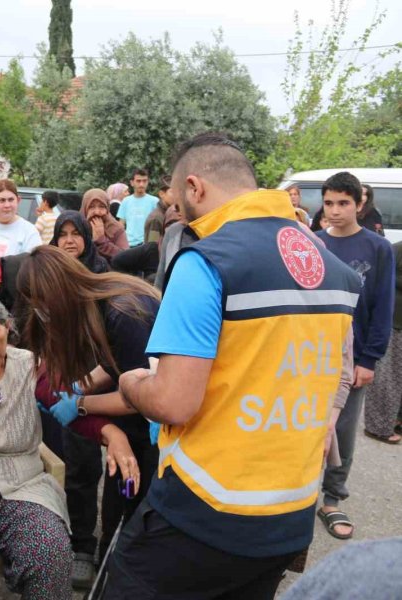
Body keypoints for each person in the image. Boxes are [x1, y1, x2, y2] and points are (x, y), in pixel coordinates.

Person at [108, 133, 360, 599]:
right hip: (290, 514)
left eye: (178, 203)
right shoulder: (327, 263)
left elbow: (173, 401)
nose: (179, 215)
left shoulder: (208, 260)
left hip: (203, 509)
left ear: (195, 186)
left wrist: (132, 383)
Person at [0, 293, 139, 598]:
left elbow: (62, 404)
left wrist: (112, 433)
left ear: (7, 327)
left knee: (48, 553)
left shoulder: (31, 365)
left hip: (23, 484)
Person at [15, 245, 160, 589]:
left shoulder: (125, 312)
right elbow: (114, 364)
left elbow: (144, 397)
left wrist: (81, 405)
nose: (41, 313)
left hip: (159, 431)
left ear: (58, 292)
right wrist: (78, 387)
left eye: (41, 304)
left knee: (134, 527)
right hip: (135, 425)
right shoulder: (100, 306)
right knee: (115, 515)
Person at [316, 171, 395, 538]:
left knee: (343, 431)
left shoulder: (377, 247)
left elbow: (382, 306)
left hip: (353, 359)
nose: (335, 210)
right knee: (307, 424)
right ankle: (298, 491)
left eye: (343, 203)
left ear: (360, 204)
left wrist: (369, 359)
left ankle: (332, 498)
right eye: (329, 203)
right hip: (312, 354)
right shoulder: (314, 243)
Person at [365, 239, 402, 444]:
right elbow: (384, 281)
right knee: (388, 379)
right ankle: (379, 427)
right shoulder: (395, 249)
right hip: (394, 324)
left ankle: (396, 420)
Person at [0, 179, 42, 258]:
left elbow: (35, 262)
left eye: (11, 200)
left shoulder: (29, 232)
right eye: (2, 200)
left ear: (18, 200)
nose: (7, 205)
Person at [50, 210, 109, 274]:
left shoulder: (100, 267)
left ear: (86, 237)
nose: (69, 241)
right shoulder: (48, 269)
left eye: (76, 234)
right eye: (62, 235)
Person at [80, 188, 128, 261]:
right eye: (91, 207)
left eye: (102, 206)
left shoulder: (116, 228)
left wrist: (102, 241)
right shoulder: (78, 227)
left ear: (107, 209)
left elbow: (126, 258)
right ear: (85, 209)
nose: (97, 212)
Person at [118, 169, 159, 247]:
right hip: (129, 244)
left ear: (148, 182)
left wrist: (153, 243)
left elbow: (158, 224)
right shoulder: (126, 201)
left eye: (144, 181)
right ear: (132, 183)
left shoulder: (155, 201)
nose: (141, 184)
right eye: (138, 181)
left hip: (147, 244)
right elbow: (121, 225)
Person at [144, 175, 173, 244]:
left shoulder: (171, 214)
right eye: (173, 192)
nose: (177, 195)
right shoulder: (156, 219)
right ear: (161, 194)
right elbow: (153, 245)